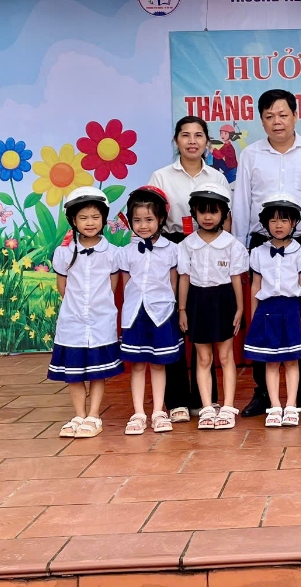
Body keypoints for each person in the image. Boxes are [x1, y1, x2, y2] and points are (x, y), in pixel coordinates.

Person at [232, 89, 301, 416]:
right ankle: (263, 391)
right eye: (269, 116)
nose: (276, 122)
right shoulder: (250, 155)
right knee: (264, 316)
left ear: (295, 116)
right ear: (261, 120)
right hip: (262, 244)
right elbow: (241, 202)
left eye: (282, 115)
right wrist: (239, 248)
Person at [147, 115, 228, 424]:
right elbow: (151, 217)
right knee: (175, 324)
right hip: (172, 247)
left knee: (204, 324)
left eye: (198, 135)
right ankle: (178, 399)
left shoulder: (217, 177)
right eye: (185, 135)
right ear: (176, 140)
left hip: (208, 248)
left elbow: (226, 220)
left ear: (207, 140)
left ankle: (205, 399)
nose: (192, 141)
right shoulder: (161, 177)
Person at [48, 186, 122, 439]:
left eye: (95, 217)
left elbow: (112, 286)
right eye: (83, 217)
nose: (90, 223)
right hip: (72, 322)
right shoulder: (63, 252)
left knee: (98, 371)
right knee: (74, 373)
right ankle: (78, 415)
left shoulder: (112, 253)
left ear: (103, 219)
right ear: (73, 220)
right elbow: (62, 286)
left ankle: (93, 415)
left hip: (101, 322)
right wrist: (77, 308)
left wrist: (97, 309)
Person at [177, 179, 248, 430]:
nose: (208, 217)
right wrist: (182, 309)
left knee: (226, 356)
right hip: (197, 301)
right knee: (203, 357)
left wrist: (240, 308)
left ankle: (227, 407)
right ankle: (207, 407)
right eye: (202, 211)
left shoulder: (232, 245)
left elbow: (236, 278)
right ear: (194, 213)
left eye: (214, 211)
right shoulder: (187, 245)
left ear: (223, 214)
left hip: (224, 299)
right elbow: (184, 278)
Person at [243, 194, 301, 428]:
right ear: (266, 223)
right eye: (273, 220)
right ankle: (275, 406)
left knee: (292, 361)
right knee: (271, 362)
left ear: (293, 223)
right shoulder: (258, 252)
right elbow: (255, 286)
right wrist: (254, 316)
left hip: (291, 310)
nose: (278, 225)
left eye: (284, 220)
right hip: (266, 311)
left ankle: (292, 405)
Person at [116, 186, 183, 435]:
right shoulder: (126, 252)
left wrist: (174, 309)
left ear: (161, 219)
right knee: (137, 365)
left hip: (162, 314)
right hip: (135, 314)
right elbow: (126, 285)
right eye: (137, 220)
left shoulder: (172, 250)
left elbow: (173, 284)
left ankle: (158, 411)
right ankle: (138, 413)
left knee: (158, 364)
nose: (143, 225)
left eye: (149, 219)